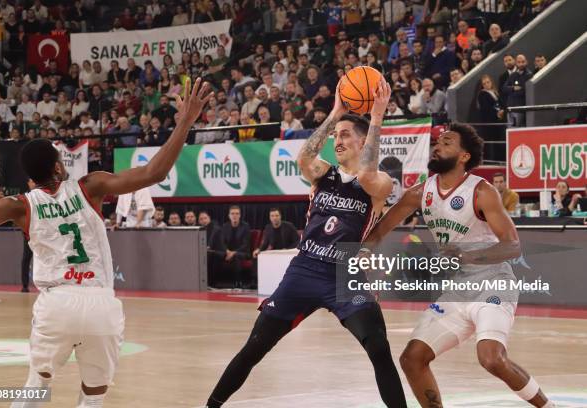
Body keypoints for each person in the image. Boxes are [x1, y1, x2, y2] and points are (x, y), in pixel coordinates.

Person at [0, 78, 212, 408]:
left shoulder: (20, 204)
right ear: (59, 166)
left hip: (56, 304)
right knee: (93, 397)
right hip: (101, 304)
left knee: (36, 388)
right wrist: (186, 121)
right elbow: (154, 173)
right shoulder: (91, 186)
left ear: (31, 177)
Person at [205, 79, 407, 408]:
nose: (337, 140)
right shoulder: (323, 172)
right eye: (336, 135)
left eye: (344, 135)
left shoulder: (378, 181)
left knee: (379, 347)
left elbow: (368, 174)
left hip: (345, 271)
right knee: (255, 346)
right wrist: (335, 114)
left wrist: (377, 117)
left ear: (362, 140)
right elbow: (303, 157)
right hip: (304, 269)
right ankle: (211, 405)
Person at [363, 123, 554, 408]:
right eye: (437, 142)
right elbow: (379, 231)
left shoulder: (482, 191)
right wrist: (365, 252)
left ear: (464, 156)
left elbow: (513, 245)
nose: (437, 147)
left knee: (491, 359)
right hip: (456, 290)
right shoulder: (419, 193)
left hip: (493, 283)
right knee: (412, 359)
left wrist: (467, 257)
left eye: (447, 142)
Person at [219, 206, 251, 288]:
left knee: (236, 257)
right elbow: (222, 242)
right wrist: (227, 251)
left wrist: (233, 253)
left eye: (237, 214)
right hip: (228, 252)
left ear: (240, 215)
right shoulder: (225, 226)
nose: (234, 216)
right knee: (215, 254)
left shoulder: (245, 226)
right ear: (229, 216)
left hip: (242, 252)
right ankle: (215, 282)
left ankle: (238, 281)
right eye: (232, 214)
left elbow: (246, 244)